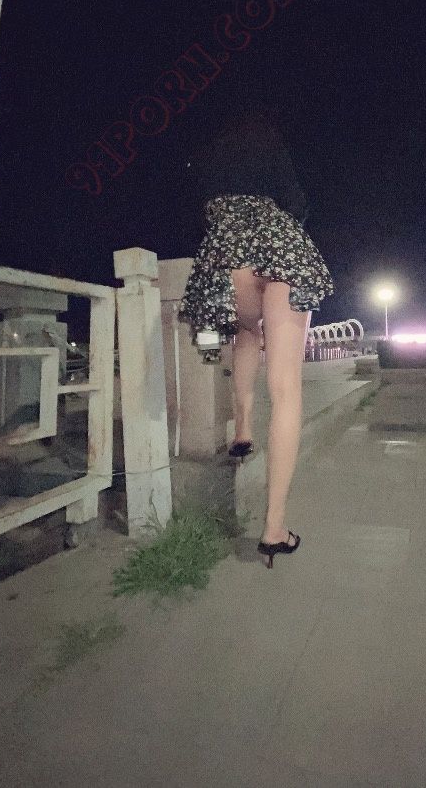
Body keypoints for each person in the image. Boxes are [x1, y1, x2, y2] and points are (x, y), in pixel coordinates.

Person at [178, 110, 334, 569]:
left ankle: (242, 430)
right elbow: (295, 200)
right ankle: (274, 528)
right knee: (286, 389)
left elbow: (200, 211)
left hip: (230, 251)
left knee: (245, 332)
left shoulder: (207, 155)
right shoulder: (269, 142)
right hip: (281, 244)